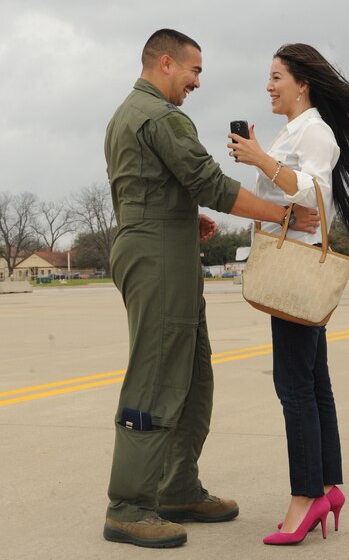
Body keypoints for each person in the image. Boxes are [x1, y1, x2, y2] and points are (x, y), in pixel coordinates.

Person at [103, 29, 319, 549]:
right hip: (156, 256)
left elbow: (152, 186)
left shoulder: (129, 114)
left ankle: (177, 486)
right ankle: (129, 503)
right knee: (157, 374)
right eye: (193, 70)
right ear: (165, 63)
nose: (198, 81)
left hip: (163, 246)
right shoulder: (162, 115)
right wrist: (284, 214)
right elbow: (210, 182)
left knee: (193, 374)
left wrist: (184, 217)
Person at [228, 42, 349, 546]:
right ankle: (327, 486)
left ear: (302, 83)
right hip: (291, 268)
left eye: (276, 77)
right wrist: (263, 158)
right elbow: (289, 195)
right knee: (314, 384)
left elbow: (312, 192)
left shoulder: (314, 131)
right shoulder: (294, 131)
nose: (268, 86)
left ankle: (306, 495)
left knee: (295, 387)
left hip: (295, 273)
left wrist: (261, 159)